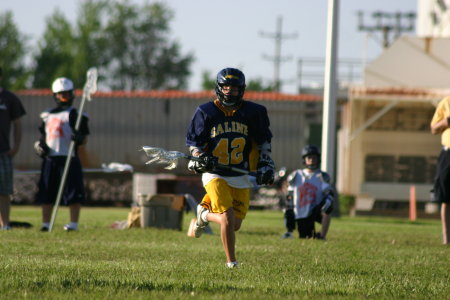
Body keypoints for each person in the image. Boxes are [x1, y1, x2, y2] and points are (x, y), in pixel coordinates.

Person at [186, 67, 275, 268]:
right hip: (214, 172)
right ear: (218, 88)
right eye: (225, 87)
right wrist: (200, 156)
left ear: (241, 90)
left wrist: (265, 162)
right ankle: (231, 263)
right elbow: (194, 144)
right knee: (227, 217)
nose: (229, 91)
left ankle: (203, 214)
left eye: (234, 88)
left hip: (239, 172)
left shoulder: (254, 112)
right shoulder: (205, 111)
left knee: (234, 225)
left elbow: (263, 142)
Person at [34, 77, 89, 232]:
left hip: (69, 157)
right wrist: (40, 147)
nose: (64, 97)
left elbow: (84, 139)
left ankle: (73, 223)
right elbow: (43, 138)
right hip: (51, 159)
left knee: (73, 191)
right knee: (47, 191)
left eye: (67, 94)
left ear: (72, 94)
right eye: (61, 94)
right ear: (55, 95)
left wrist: (79, 139)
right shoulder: (47, 115)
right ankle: (45, 223)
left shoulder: (77, 115)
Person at [281, 145, 334, 240]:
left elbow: (329, 193)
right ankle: (289, 231)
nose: (312, 160)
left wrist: (328, 201)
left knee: (328, 207)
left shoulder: (322, 176)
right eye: (309, 157)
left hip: (315, 209)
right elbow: (289, 194)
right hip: (301, 210)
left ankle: (322, 235)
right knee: (306, 236)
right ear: (304, 159)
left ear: (318, 159)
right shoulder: (296, 175)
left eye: (314, 157)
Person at [0, 67, 26, 230]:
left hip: (3, 152)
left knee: (4, 190)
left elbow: (18, 124)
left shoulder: (9, 98)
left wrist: (16, 146)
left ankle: (5, 224)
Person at [430, 96, 450, 245]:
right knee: (447, 198)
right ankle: (447, 240)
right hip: (448, 154)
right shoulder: (446, 102)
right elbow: (434, 129)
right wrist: (447, 121)